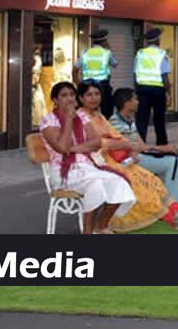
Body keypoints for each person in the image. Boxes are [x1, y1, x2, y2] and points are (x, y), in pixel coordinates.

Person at [76, 83, 178, 231]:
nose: (94, 98)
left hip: (113, 158)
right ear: (81, 98)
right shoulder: (81, 117)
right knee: (137, 182)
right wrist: (127, 145)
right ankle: (172, 218)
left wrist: (126, 145)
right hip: (95, 162)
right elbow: (100, 143)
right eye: (89, 95)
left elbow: (117, 137)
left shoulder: (99, 116)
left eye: (97, 94)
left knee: (149, 178)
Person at [38, 82, 135, 234]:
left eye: (71, 95)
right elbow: (62, 147)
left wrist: (73, 149)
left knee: (119, 182)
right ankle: (87, 233)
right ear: (55, 101)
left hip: (87, 167)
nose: (69, 99)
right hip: (64, 172)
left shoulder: (81, 116)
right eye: (64, 95)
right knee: (95, 184)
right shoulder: (48, 120)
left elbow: (96, 143)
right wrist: (69, 119)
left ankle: (100, 226)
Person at [109, 87, 178, 204]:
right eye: (135, 99)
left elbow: (142, 146)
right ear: (126, 103)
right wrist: (164, 148)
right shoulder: (115, 121)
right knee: (174, 162)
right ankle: (170, 208)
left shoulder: (129, 120)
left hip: (139, 156)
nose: (138, 102)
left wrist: (165, 149)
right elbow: (132, 147)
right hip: (129, 160)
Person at [134, 28, 171, 145]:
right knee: (159, 120)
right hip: (158, 91)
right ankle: (162, 145)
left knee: (141, 120)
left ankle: (140, 146)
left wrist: (137, 90)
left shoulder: (140, 54)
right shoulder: (161, 54)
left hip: (142, 90)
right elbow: (165, 77)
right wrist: (168, 94)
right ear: (158, 40)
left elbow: (135, 74)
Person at [77, 29, 116, 116]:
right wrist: (109, 49)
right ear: (103, 41)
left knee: (88, 110)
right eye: (106, 40)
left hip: (87, 86)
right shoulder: (107, 53)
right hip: (103, 86)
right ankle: (104, 127)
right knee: (107, 110)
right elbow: (114, 64)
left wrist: (78, 83)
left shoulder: (85, 53)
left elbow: (75, 69)